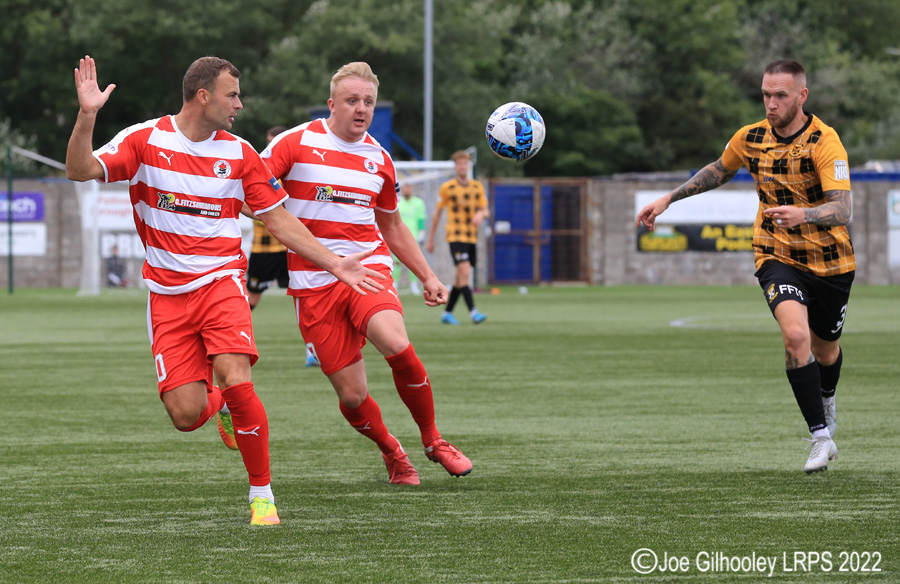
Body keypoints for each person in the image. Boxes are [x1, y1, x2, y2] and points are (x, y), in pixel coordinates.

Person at [66, 55, 385, 524]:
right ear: (203, 96)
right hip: (167, 295)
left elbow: (278, 219)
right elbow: (79, 170)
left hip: (222, 281)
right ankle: (221, 407)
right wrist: (88, 114)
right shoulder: (144, 140)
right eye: (232, 94)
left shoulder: (240, 154)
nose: (240, 103)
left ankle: (262, 497)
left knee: (236, 375)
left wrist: (336, 263)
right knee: (184, 413)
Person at [636, 60, 854, 474]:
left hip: (830, 263)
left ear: (802, 96)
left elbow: (843, 209)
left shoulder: (826, 143)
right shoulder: (750, 137)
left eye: (781, 96)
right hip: (775, 254)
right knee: (794, 337)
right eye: (766, 95)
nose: (771, 104)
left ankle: (826, 399)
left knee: (825, 349)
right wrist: (668, 199)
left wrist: (804, 216)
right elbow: (719, 170)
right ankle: (820, 437)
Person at [261, 61, 473, 485]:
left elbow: (391, 225)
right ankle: (392, 451)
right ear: (332, 104)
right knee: (353, 396)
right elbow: (252, 192)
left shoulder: (379, 158)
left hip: (367, 267)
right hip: (313, 283)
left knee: (396, 342)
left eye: (368, 102)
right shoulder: (294, 143)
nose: (361, 109)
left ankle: (433, 440)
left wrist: (429, 276)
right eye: (352, 100)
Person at [246, 125, 319, 367]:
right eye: (269, 141)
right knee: (251, 297)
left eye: (276, 140)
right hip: (264, 248)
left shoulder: (297, 171)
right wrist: (267, 215)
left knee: (305, 298)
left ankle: (314, 350)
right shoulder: (257, 167)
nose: (272, 145)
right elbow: (240, 200)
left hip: (292, 246)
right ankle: (234, 340)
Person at [426, 150, 489, 325]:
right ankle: (474, 312)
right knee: (465, 272)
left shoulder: (477, 187)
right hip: (455, 236)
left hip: (471, 238)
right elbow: (437, 214)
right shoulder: (447, 188)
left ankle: (447, 313)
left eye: (465, 164)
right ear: (455, 167)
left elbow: (486, 210)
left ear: (468, 166)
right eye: (459, 164)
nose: (462, 167)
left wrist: (481, 215)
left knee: (460, 278)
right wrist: (431, 238)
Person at [394, 183, 427, 296]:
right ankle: (395, 285)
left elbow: (420, 219)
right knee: (396, 262)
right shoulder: (398, 203)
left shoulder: (418, 202)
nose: (407, 190)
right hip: (398, 237)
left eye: (409, 188)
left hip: (413, 237)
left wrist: (421, 233)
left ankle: (414, 285)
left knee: (413, 262)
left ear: (411, 189)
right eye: (405, 188)